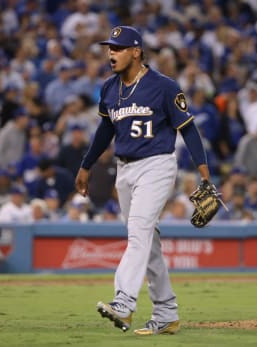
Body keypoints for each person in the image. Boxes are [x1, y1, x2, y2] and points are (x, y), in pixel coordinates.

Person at [75, 26, 212, 336]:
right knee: (148, 243)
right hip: (125, 170)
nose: (111, 53)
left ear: (136, 51)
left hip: (157, 165)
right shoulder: (110, 88)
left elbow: (188, 129)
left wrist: (203, 171)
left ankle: (124, 301)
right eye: (109, 47)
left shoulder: (163, 86)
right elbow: (105, 132)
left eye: (118, 48)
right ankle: (166, 312)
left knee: (138, 233)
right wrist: (86, 166)